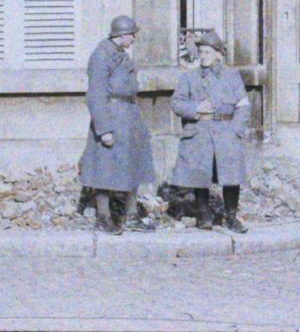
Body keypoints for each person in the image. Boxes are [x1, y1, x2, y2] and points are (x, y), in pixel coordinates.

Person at [79, 14, 156, 234]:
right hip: (111, 116)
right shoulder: (101, 56)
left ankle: (131, 216)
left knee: (131, 166)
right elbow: (96, 95)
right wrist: (104, 129)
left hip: (128, 117)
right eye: (132, 34)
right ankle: (103, 217)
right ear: (121, 35)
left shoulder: (120, 54)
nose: (133, 38)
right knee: (104, 169)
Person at [168, 29, 251, 233]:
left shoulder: (232, 76)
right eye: (201, 52)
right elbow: (177, 103)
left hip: (226, 130)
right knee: (200, 173)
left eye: (207, 52)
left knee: (230, 175)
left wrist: (236, 130)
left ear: (218, 54)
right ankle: (203, 214)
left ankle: (231, 217)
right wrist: (195, 108)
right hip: (200, 130)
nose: (203, 56)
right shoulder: (190, 77)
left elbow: (243, 105)